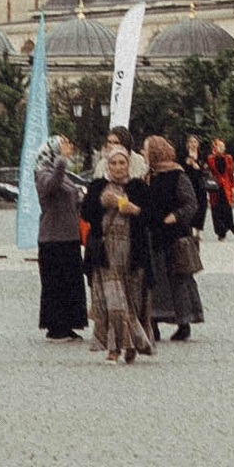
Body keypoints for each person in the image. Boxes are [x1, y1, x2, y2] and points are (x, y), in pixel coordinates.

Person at [79, 141, 155, 361]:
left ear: (128, 164)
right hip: (106, 255)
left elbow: (151, 217)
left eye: (122, 162)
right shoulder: (98, 187)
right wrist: (102, 203)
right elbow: (86, 214)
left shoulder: (138, 187)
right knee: (114, 304)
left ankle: (132, 344)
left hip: (132, 254)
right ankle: (114, 348)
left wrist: (135, 209)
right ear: (108, 165)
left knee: (131, 304)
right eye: (114, 163)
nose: (118, 167)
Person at [138, 132, 206, 342]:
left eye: (146, 149)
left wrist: (175, 216)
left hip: (174, 238)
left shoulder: (177, 175)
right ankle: (153, 323)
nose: (143, 153)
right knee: (153, 282)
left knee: (178, 282)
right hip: (153, 236)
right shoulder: (148, 175)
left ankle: (184, 323)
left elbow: (191, 203)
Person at [31, 142, 88, 339]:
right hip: (53, 238)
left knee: (71, 282)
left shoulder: (63, 175)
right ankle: (55, 326)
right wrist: (61, 160)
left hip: (70, 236)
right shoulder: (42, 173)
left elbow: (71, 196)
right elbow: (51, 187)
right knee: (56, 283)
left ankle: (69, 323)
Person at [205, 139, 234, 244]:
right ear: (215, 147)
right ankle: (220, 232)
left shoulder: (228, 158)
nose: (223, 148)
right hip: (215, 187)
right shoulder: (210, 159)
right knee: (216, 210)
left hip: (226, 187)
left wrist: (233, 187)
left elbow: (231, 173)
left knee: (227, 209)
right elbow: (207, 171)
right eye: (220, 146)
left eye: (223, 146)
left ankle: (227, 227)